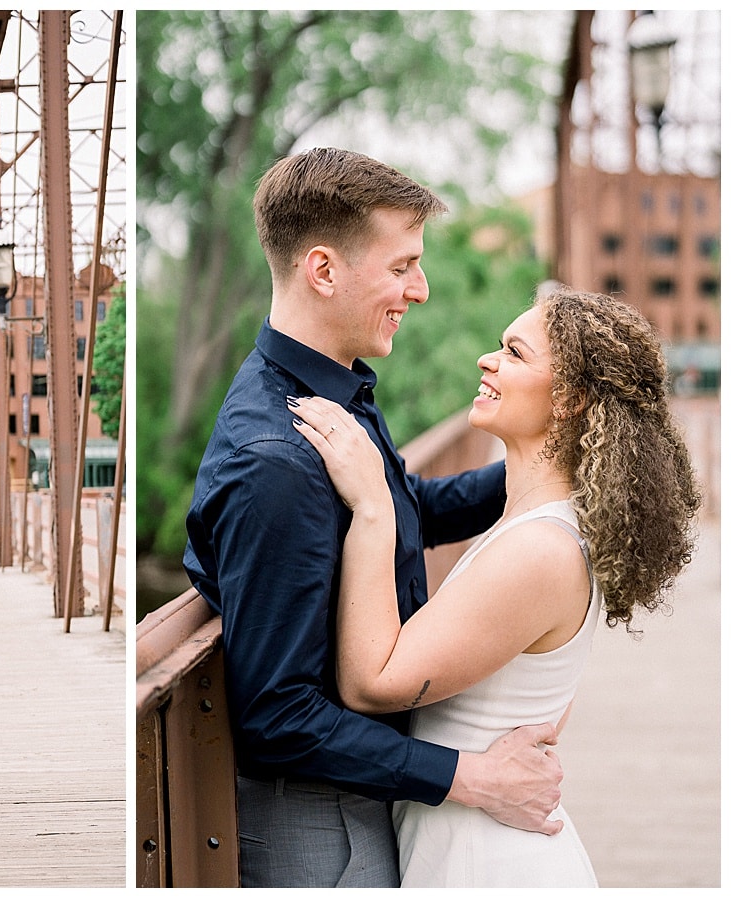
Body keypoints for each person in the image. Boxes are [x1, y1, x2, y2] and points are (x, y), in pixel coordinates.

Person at [182, 147, 564, 888]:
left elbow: (403, 508)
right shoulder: (276, 461)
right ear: (323, 271)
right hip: (324, 830)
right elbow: (277, 717)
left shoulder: (324, 391)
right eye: (401, 267)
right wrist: (473, 778)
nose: (418, 289)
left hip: (359, 799)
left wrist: (550, 467)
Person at [291, 286, 699, 886]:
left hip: (488, 862)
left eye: (515, 353)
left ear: (570, 401)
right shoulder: (544, 527)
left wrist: (374, 506)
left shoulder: (540, 550)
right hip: (475, 843)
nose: (488, 360)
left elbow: (370, 682)